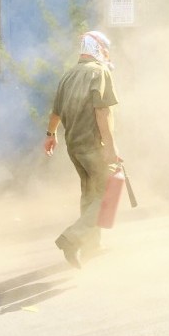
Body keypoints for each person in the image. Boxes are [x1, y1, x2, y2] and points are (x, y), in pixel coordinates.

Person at [44, 31, 120, 269]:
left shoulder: (68, 75)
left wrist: (50, 135)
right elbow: (102, 112)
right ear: (98, 49)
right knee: (108, 194)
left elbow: (56, 111)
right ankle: (72, 238)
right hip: (93, 145)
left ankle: (91, 246)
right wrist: (111, 147)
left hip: (74, 146)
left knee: (91, 194)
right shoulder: (99, 72)